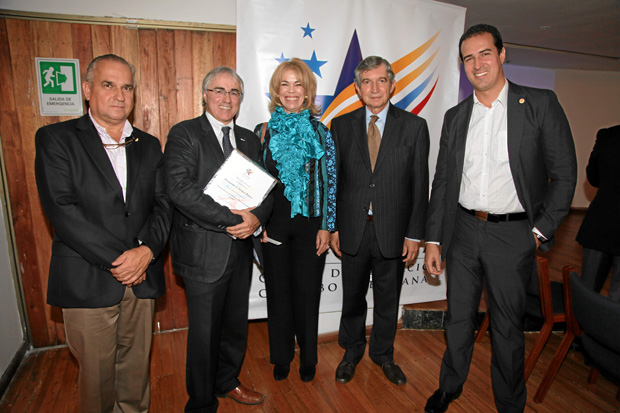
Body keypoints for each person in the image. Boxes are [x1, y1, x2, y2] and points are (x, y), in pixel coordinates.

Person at [423, 24, 577, 413]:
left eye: (485, 54)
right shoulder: (456, 117)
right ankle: (450, 386)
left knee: (507, 327)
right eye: (468, 58)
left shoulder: (540, 104)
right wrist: (433, 240)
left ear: (502, 54)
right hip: (462, 232)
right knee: (458, 319)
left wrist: (538, 233)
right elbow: (443, 181)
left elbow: (564, 176)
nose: (477, 64)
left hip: (514, 236)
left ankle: (509, 403)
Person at [34, 54, 172, 413]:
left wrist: (146, 252)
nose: (119, 95)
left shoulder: (148, 144)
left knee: (135, 371)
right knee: (96, 379)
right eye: (108, 85)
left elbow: (163, 206)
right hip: (88, 278)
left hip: (141, 278)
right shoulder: (56, 139)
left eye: (127, 87)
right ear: (86, 89)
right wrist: (122, 260)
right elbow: (62, 210)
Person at [164, 66, 272, 412]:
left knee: (235, 326)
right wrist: (233, 220)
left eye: (234, 92)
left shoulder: (249, 139)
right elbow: (180, 190)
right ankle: (201, 402)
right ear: (205, 95)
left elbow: (266, 189)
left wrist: (256, 218)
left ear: (241, 99)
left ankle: (228, 381)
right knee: (204, 334)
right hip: (203, 252)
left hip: (241, 250)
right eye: (219, 91)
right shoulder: (185, 133)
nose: (227, 98)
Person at [330, 56, 430, 386]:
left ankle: (383, 354)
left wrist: (414, 234)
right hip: (353, 230)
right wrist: (333, 226)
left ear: (392, 85)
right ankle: (352, 351)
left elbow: (420, 185)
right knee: (352, 297)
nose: (375, 89)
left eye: (381, 81)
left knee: (388, 299)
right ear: (358, 89)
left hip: (394, 232)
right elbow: (335, 181)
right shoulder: (341, 126)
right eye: (367, 82)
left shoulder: (415, 126)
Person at [254, 58, 336, 383]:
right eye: (285, 84)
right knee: (278, 293)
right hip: (273, 225)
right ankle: (282, 356)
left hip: (311, 227)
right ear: (276, 90)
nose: (291, 90)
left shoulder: (321, 132)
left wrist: (327, 226)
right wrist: (259, 224)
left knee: (307, 294)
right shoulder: (263, 132)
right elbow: (257, 182)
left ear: (307, 91)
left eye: (298, 84)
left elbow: (330, 183)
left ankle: (309, 357)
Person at [576, 125, 620, 302]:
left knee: (587, 294)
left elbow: (593, 178)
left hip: (602, 221)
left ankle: (582, 320)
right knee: (617, 301)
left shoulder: (607, 135)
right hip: (602, 224)